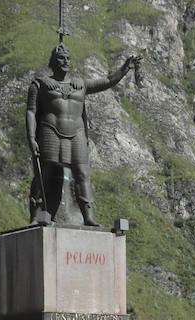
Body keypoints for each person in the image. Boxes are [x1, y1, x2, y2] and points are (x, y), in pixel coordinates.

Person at [26, 44, 139, 226]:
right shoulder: (40, 85)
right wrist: (31, 137)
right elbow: (31, 111)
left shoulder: (80, 85)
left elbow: (108, 81)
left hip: (77, 133)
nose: (66, 62)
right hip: (50, 132)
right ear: (53, 61)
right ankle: (36, 216)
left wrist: (125, 68)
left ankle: (88, 217)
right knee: (44, 174)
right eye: (62, 58)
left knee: (82, 174)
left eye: (68, 58)